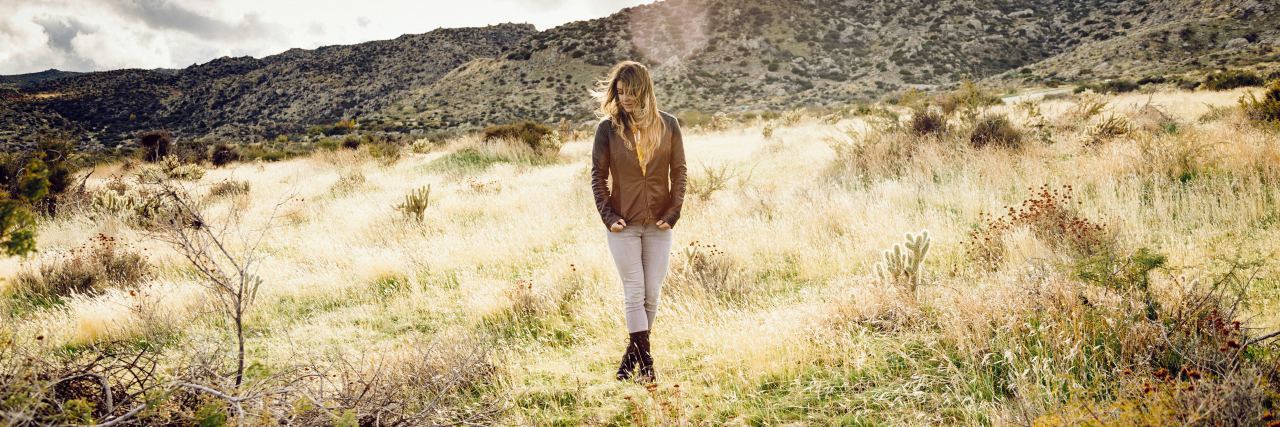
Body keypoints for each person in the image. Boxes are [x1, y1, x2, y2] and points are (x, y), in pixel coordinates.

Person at [589, 60, 687, 383]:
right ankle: (646, 367)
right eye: (620, 92)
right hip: (623, 226)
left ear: (644, 90)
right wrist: (608, 216)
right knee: (634, 292)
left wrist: (673, 213)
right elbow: (598, 177)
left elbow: (680, 172)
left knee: (651, 296)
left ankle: (629, 361)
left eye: (631, 91)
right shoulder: (608, 129)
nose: (625, 98)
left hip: (659, 225)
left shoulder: (669, 125)